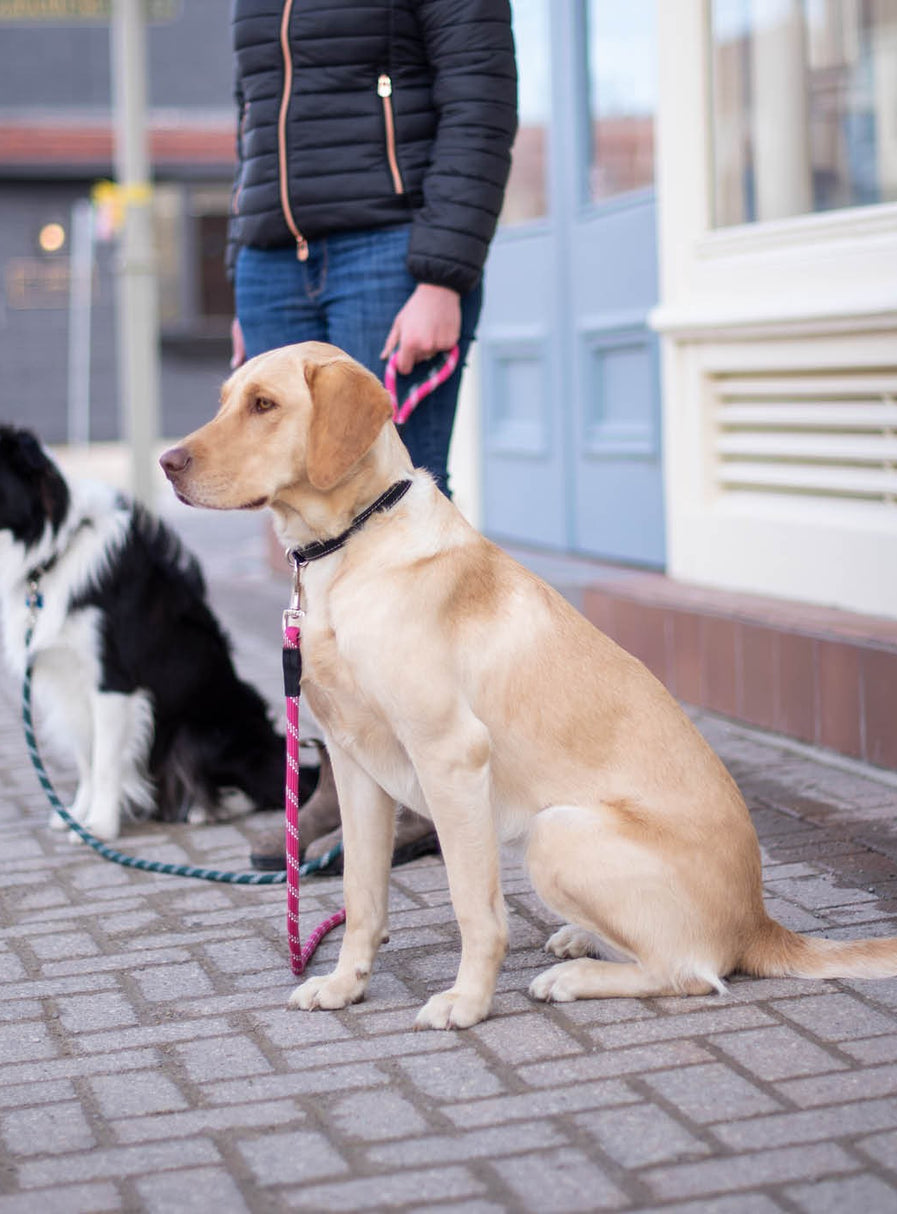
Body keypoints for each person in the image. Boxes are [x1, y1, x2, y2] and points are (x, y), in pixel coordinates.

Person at [229, 0, 518, 871]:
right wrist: (248, 252)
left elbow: (480, 94)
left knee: (401, 526)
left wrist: (442, 272)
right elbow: (254, 107)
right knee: (308, 537)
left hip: (389, 248)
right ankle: (346, 773)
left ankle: (436, 777)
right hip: (275, 254)